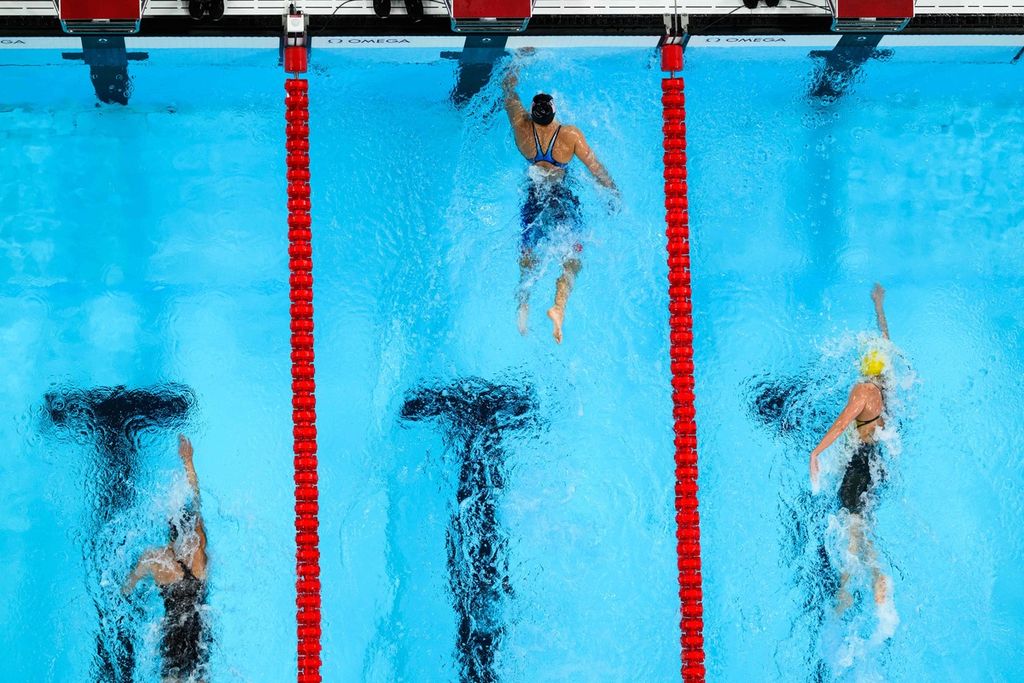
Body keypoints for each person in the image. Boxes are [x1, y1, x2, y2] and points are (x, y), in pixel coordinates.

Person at [502, 64, 618, 344]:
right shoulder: (570, 136)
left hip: (534, 193)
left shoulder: (521, 128)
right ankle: (559, 307)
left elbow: (508, 90)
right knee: (572, 255)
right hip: (561, 194)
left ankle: (523, 304)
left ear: (532, 113)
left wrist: (517, 60)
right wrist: (613, 191)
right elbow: (596, 169)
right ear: (554, 112)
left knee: (528, 254)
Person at [809, 283, 892, 610]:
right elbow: (886, 339)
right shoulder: (884, 383)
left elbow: (843, 422)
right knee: (856, 521)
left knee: (852, 520)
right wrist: (879, 306)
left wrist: (816, 452)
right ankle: (847, 585)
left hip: (859, 465)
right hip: (876, 460)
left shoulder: (862, 392)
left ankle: (872, 578)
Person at [123, 435, 209, 682]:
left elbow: (126, 590)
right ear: (191, 533)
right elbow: (197, 502)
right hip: (199, 641)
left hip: (170, 640)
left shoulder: (154, 558)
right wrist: (188, 462)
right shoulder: (198, 555)